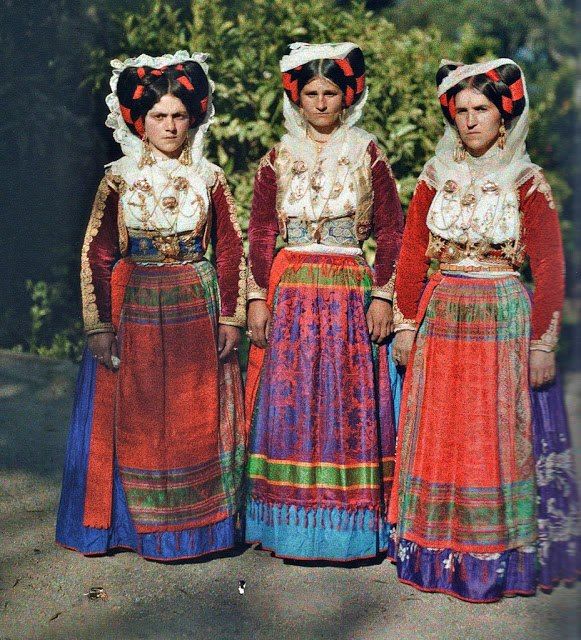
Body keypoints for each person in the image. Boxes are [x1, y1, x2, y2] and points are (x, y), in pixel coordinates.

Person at [388, 58, 578, 601]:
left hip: (501, 312)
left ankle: (494, 557)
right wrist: (406, 322)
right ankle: (434, 552)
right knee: (444, 428)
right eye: (462, 110)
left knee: (493, 430)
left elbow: (549, 266)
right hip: (443, 308)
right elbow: (408, 255)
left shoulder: (525, 178)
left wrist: (543, 343)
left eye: (483, 110)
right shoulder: (433, 175)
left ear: (503, 114)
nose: (471, 121)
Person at [56, 51, 247, 561]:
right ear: (139, 121)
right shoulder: (118, 177)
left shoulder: (210, 177)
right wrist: (98, 326)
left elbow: (229, 249)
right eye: (159, 116)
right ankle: (128, 526)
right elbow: (96, 252)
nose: (169, 125)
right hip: (135, 302)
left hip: (195, 302)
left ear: (195, 117)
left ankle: (197, 529)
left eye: (179, 115)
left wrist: (231, 316)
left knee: (193, 413)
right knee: (137, 412)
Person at [244, 42, 403, 562]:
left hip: (346, 289)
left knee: (343, 397)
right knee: (293, 398)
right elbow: (262, 230)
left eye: (330, 93)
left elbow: (393, 232)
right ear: (297, 97)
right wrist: (258, 298)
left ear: (346, 96)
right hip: (291, 288)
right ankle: (288, 528)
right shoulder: (278, 156)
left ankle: (346, 531)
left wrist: (382, 295)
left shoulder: (367, 152)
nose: (319, 103)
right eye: (310, 93)